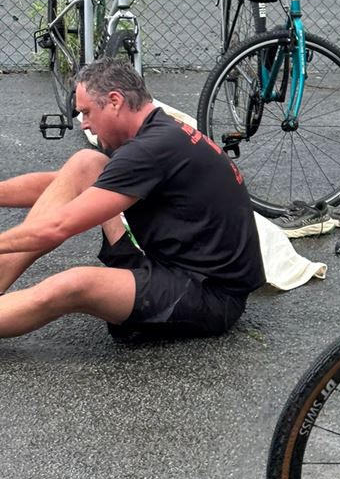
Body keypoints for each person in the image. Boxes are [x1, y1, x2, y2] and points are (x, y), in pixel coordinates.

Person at [0, 59, 264, 340]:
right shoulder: (155, 131)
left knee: (74, 284)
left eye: (87, 113)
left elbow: (58, 226)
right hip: (168, 262)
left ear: (115, 101)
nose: (85, 125)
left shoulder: (152, 148)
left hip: (208, 294)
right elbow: (62, 183)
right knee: (86, 163)